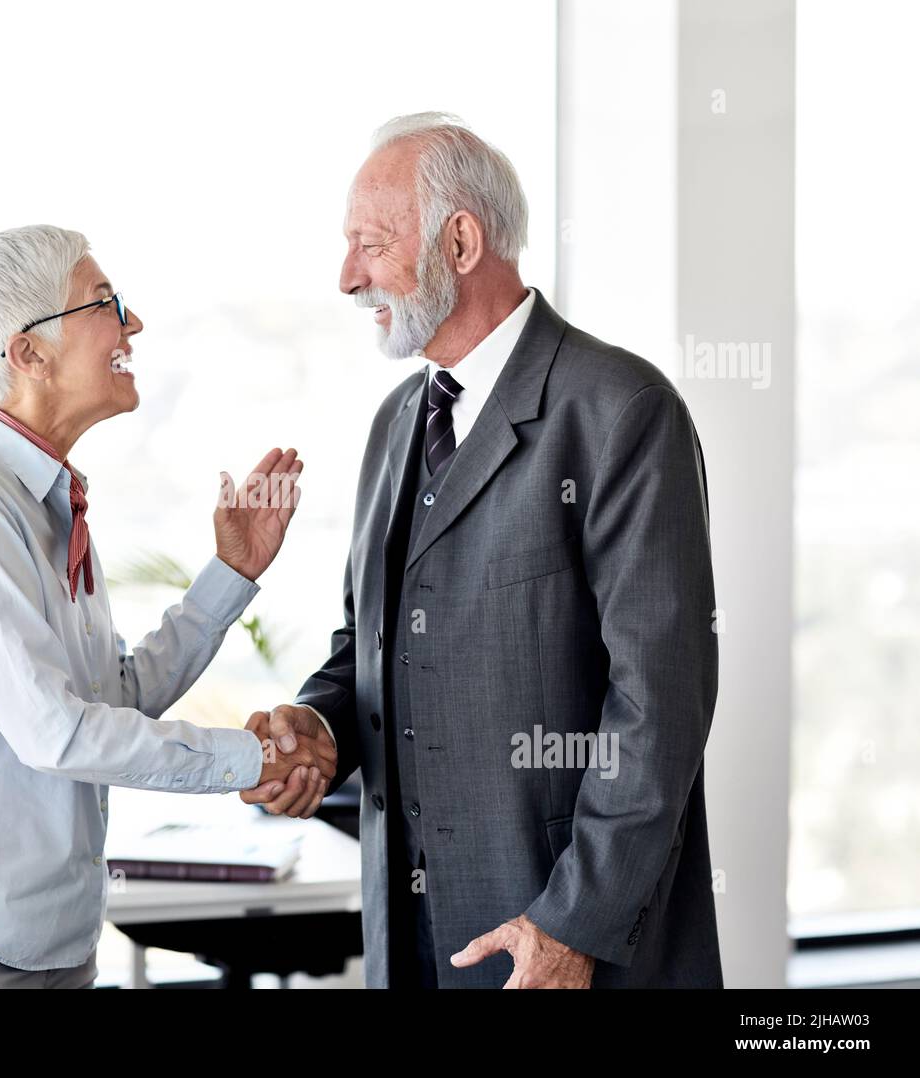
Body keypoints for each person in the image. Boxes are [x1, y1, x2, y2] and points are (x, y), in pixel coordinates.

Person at [242, 114, 722, 989]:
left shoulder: (620, 411)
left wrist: (572, 925)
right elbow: (372, 650)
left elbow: (660, 705)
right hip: (411, 945)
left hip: (560, 947)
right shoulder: (397, 424)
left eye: (369, 244)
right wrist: (316, 729)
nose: (347, 276)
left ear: (460, 241)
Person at [0, 224, 336, 988]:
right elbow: (56, 733)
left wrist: (231, 573)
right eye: (105, 304)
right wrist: (252, 757)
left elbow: (106, 701)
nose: (132, 324)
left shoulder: (47, 503)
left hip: (45, 938)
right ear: (28, 354)